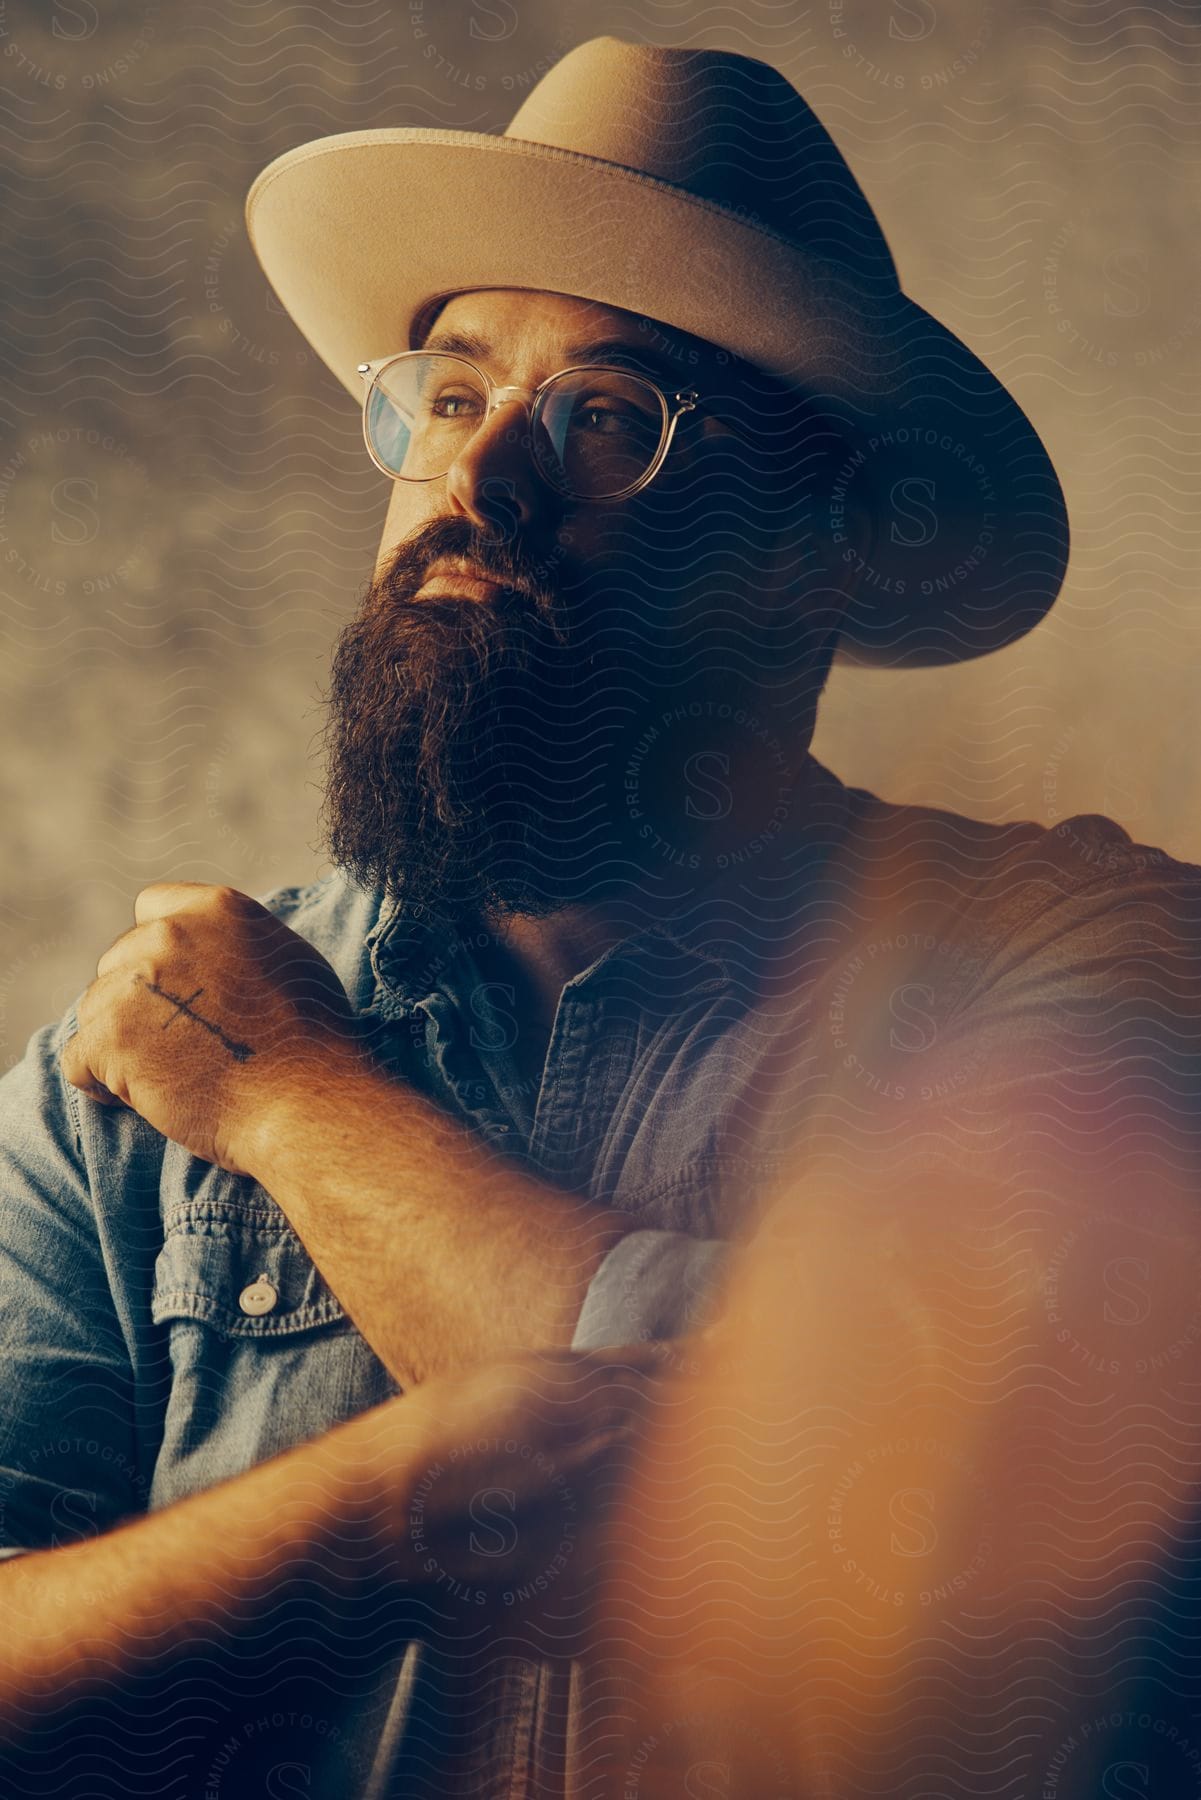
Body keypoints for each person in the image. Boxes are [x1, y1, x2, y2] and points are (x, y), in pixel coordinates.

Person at [1, 35, 1198, 1800]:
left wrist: (299, 1108)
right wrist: (363, 1522)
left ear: (828, 546)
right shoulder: (133, 1058)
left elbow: (901, 1528)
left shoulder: (1078, 963)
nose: (482, 482)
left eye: (612, 421)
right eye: (455, 393)